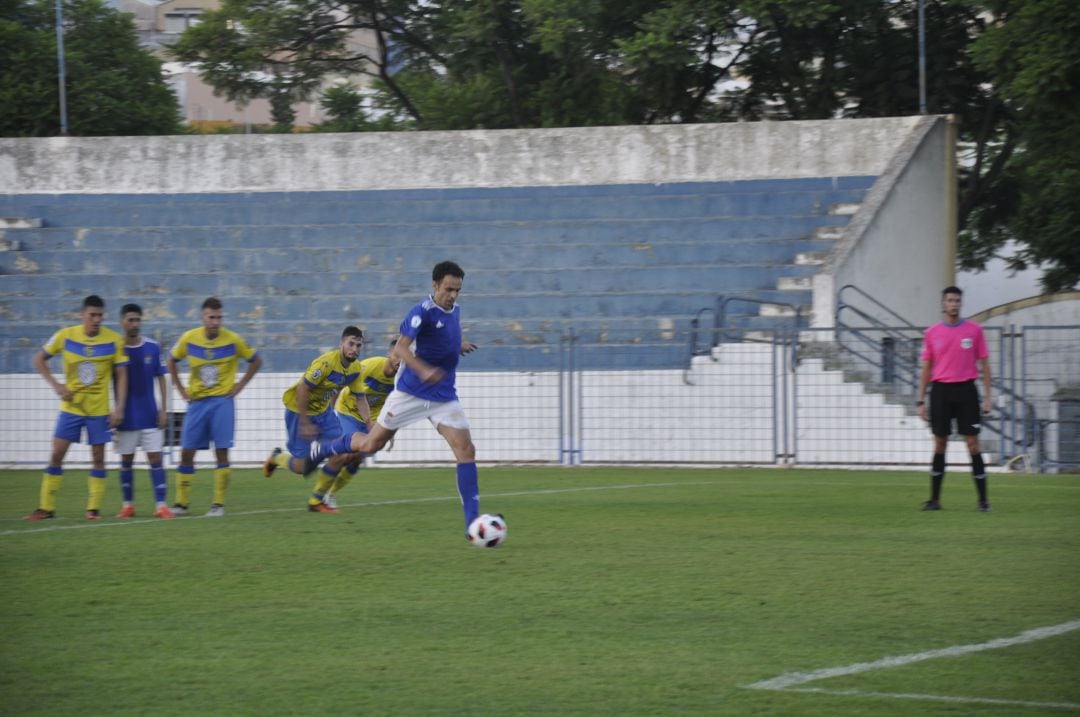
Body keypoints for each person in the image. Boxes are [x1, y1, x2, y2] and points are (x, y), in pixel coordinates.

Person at [309, 261, 484, 537]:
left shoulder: (455, 310)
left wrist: (457, 345)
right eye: (448, 289)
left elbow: (443, 335)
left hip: (443, 396)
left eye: (457, 290)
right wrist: (423, 370)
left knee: (466, 451)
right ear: (435, 285)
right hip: (410, 393)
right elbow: (402, 348)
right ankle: (325, 449)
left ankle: (473, 526)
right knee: (369, 444)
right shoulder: (420, 312)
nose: (452, 295)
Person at [24, 295, 128, 521]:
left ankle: (93, 509)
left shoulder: (114, 340)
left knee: (98, 458)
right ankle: (46, 508)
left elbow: (121, 374)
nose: (97, 319)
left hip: (99, 411)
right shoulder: (65, 336)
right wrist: (57, 385)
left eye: (100, 315)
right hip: (71, 409)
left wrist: (119, 407)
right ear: (82, 314)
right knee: (57, 454)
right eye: (92, 315)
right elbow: (39, 359)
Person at [167, 297, 262, 517]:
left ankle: (218, 505)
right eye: (211, 317)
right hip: (197, 403)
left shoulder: (233, 340)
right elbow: (171, 360)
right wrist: (181, 389)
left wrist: (240, 385)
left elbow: (256, 360)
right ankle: (181, 504)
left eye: (219, 317)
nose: (215, 322)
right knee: (186, 452)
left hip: (222, 402)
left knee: (221, 452)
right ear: (203, 318)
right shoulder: (189, 339)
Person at [262, 326, 366, 513]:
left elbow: (360, 397)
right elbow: (303, 388)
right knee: (302, 467)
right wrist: (304, 422)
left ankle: (316, 501)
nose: (355, 349)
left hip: (324, 413)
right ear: (341, 343)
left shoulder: (356, 368)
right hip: (298, 412)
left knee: (341, 454)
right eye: (351, 344)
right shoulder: (325, 363)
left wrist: (370, 423)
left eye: (359, 345)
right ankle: (276, 458)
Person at [915, 286, 993, 512]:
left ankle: (983, 501)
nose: (954, 304)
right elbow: (926, 368)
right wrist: (920, 401)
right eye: (950, 300)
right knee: (940, 443)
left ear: (961, 304)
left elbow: (985, 365)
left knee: (972, 444)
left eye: (957, 300)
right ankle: (935, 500)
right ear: (943, 304)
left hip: (967, 391)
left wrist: (987, 397)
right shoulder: (932, 333)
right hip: (940, 392)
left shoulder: (974, 331)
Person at [320, 337, 403, 510]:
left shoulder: (402, 380)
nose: (400, 360)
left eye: (405, 356)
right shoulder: (371, 366)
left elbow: (396, 406)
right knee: (345, 454)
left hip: (371, 421)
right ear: (389, 353)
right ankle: (320, 490)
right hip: (348, 411)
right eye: (397, 355)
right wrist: (329, 411)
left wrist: (390, 430)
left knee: (356, 459)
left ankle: (330, 494)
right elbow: (341, 380)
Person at [114, 304, 174, 519]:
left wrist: (164, 410)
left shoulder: (152, 347)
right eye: (130, 320)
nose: (135, 324)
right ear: (122, 322)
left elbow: (161, 377)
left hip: (150, 414)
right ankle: (128, 505)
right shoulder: (115, 348)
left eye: (138, 320)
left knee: (156, 460)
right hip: (126, 417)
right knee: (126, 462)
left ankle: (161, 506)